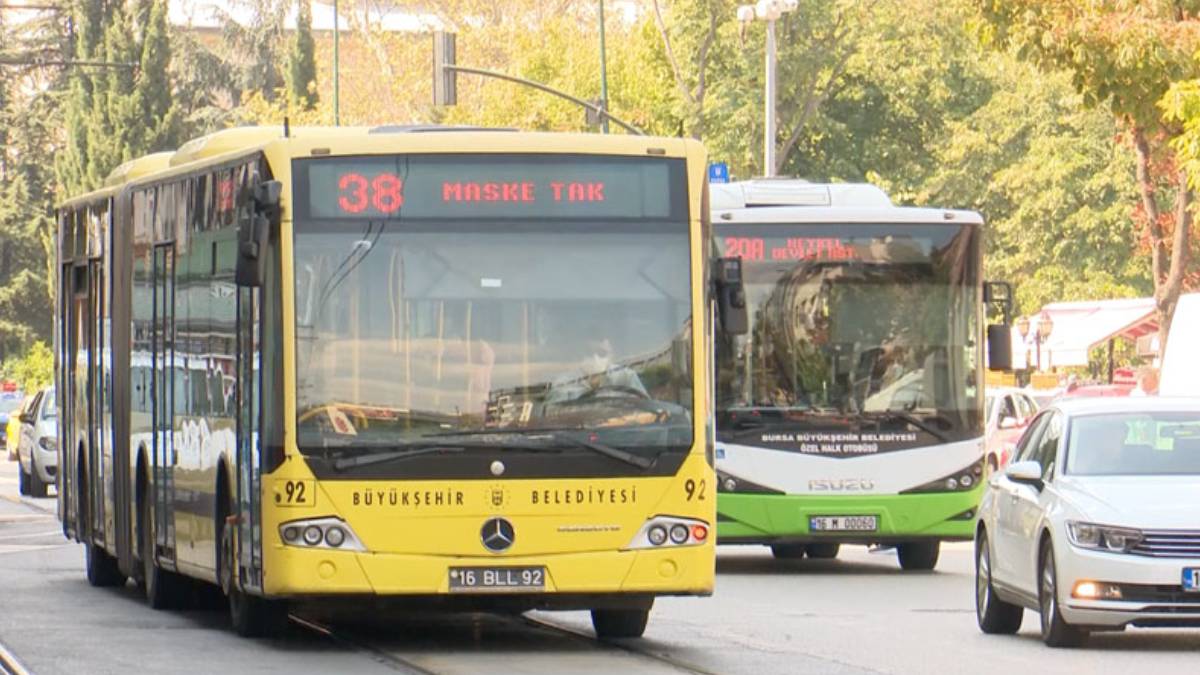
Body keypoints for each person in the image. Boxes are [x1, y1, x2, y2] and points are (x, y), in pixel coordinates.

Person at [544, 336, 648, 405]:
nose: (595, 358)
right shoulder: (562, 384)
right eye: (588, 353)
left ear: (612, 356)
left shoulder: (627, 377)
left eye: (602, 353)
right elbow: (552, 420)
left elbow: (646, 411)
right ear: (578, 355)